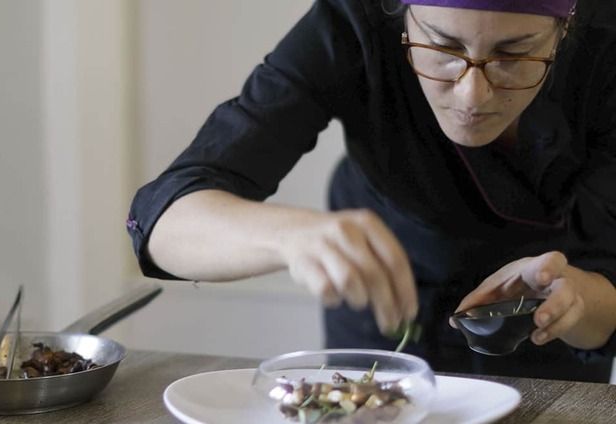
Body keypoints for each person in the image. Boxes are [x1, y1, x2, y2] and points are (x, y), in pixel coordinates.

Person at [127, 0, 616, 382]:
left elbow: (605, 303)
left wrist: (576, 301)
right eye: (443, 47)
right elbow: (163, 219)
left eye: (513, 54)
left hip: (540, 317)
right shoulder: (352, 22)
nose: (472, 95)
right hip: (379, 303)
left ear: (566, 26)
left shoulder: (607, 51)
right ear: (402, 18)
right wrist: (292, 237)